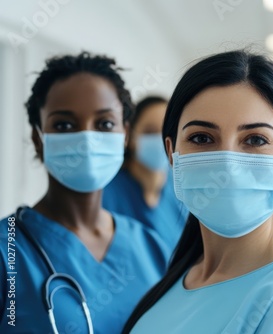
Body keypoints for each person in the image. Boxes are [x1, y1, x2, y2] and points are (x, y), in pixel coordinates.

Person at [123, 50, 273, 334]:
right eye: (202, 138)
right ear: (172, 154)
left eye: (255, 139)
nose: (227, 164)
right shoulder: (182, 279)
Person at [0, 52, 170, 333]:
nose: (87, 138)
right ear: (37, 138)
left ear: (124, 135)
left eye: (104, 124)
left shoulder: (150, 248)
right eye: (64, 125)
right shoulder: (8, 251)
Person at [103, 96, 188, 250]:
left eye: (168, 131)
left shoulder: (182, 189)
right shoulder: (106, 193)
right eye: (150, 131)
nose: (160, 139)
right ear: (130, 137)